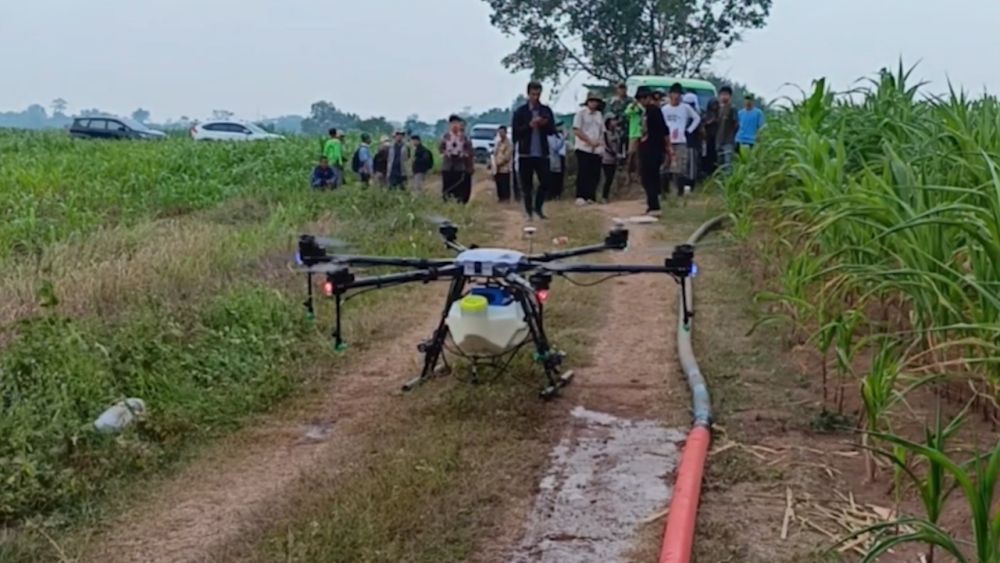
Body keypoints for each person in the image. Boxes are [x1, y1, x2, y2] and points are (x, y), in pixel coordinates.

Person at [512, 81, 557, 220]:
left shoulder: (546, 110)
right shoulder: (521, 112)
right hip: (526, 153)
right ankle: (528, 212)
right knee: (527, 186)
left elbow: (552, 131)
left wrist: (544, 124)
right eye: (533, 94)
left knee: (545, 182)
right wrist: (529, 126)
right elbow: (515, 133)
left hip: (542, 153)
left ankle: (538, 208)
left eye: (538, 94)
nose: (535, 97)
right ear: (528, 94)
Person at [636, 86, 671, 217]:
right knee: (647, 177)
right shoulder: (645, 112)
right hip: (646, 147)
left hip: (654, 148)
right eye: (640, 98)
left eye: (645, 98)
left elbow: (664, 130)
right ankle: (651, 205)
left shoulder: (655, 111)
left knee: (649, 178)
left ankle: (655, 205)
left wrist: (668, 148)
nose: (642, 101)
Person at [661, 83, 701, 197]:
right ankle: (664, 191)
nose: (676, 96)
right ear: (670, 95)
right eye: (674, 94)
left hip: (681, 140)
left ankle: (680, 192)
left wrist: (689, 130)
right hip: (667, 141)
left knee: (681, 167)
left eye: (678, 94)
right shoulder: (665, 109)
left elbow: (696, 118)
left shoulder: (685, 108)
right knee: (665, 165)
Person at [572, 91, 606, 206]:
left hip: (596, 149)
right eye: (592, 101)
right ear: (588, 102)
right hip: (583, 147)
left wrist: (601, 145)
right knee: (584, 172)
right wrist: (589, 141)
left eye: (596, 101)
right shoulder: (581, 114)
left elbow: (602, 131)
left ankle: (591, 196)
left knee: (594, 173)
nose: (594, 103)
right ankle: (581, 196)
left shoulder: (599, 115)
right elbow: (576, 130)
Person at [439, 114, 474, 203]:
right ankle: (446, 202)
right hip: (447, 166)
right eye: (452, 123)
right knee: (447, 186)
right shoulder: (445, 137)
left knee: (459, 187)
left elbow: (469, 151)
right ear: (449, 125)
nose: (455, 125)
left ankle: (458, 203)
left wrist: (463, 154)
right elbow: (440, 149)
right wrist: (446, 153)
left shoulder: (464, 138)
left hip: (459, 166)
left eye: (456, 123)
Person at [682, 92, 703, 188]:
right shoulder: (683, 113)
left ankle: (690, 183)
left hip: (693, 144)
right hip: (682, 143)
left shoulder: (697, 115)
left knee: (691, 165)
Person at [716, 86, 739, 173]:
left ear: (730, 96)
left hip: (729, 141)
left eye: (726, 95)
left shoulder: (732, 108)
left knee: (728, 163)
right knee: (720, 163)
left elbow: (736, 124)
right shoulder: (718, 108)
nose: (723, 97)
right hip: (718, 140)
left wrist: (732, 135)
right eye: (722, 95)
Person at [623, 94, 645, 184]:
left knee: (639, 156)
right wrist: (633, 105)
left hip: (642, 133)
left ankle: (638, 175)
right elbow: (627, 113)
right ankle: (627, 175)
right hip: (633, 133)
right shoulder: (631, 106)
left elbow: (644, 112)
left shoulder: (642, 107)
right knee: (631, 154)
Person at [601, 117, 620, 202]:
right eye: (613, 120)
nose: (615, 122)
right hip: (606, 158)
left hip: (614, 159)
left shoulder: (616, 133)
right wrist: (613, 153)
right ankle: (604, 196)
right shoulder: (605, 133)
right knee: (608, 177)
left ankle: (606, 196)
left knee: (611, 178)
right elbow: (606, 146)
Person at [493, 125, 514, 202]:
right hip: (497, 168)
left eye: (502, 132)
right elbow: (495, 153)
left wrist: (500, 163)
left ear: (505, 133)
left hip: (505, 168)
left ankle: (506, 199)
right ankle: (500, 198)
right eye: (499, 132)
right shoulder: (498, 143)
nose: (501, 134)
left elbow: (507, 156)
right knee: (499, 184)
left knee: (505, 184)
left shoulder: (509, 143)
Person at [701, 99, 720, 177]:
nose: (714, 107)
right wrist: (711, 121)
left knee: (715, 156)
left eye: (716, 105)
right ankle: (706, 171)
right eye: (713, 105)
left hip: (716, 138)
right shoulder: (706, 114)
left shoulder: (719, 114)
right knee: (706, 156)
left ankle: (714, 171)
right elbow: (703, 124)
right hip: (707, 138)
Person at [548, 126, 566, 200]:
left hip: (559, 159)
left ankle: (557, 195)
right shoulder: (549, 137)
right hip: (551, 159)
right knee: (552, 178)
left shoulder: (558, 136)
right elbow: (555, 147)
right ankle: (550, 195)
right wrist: (563, 138)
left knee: (559, 178)